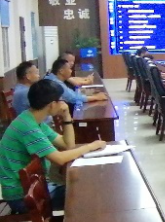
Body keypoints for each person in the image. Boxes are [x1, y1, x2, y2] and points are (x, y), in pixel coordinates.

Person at [0, 79, 106, 213]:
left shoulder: (31, 119)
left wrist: (66, 116)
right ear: (51, 104)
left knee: (85, 190)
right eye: (60, 100)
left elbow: (68, 145)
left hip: (32, 187)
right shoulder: (28, 127)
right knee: (85, 196)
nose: (63, 103)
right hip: (22, 197)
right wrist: (90, 146)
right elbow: (59, 159)